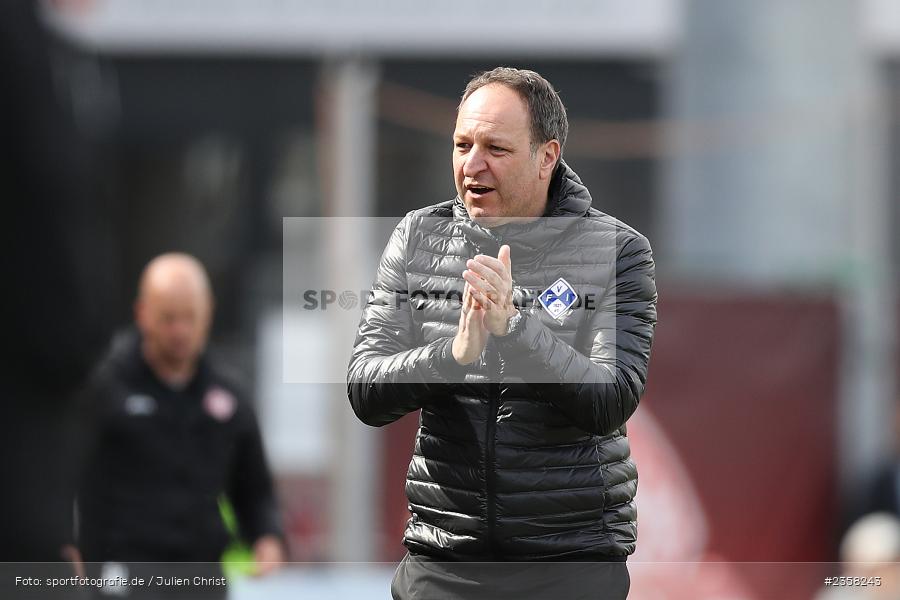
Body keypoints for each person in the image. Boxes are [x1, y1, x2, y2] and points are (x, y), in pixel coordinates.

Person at [347, 67, 657, 599]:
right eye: (462, 145)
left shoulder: (619, 250)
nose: (472, 165)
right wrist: (453, 355)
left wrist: (514, 329)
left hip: (568, 560)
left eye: (496, 148)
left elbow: (611, 398)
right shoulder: (418, 236)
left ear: (547, 157)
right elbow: (365, 390)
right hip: (444, 555)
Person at [74, 253, 285, 599]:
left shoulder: (228, 398)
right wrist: (67, 543)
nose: (180, 331)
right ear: (142, 313)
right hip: (123, 573)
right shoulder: (104, 390)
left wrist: (267, 536)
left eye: (190, 317)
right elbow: (65, 476)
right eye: (168, 318)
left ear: (208, 312)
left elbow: (254, 487)